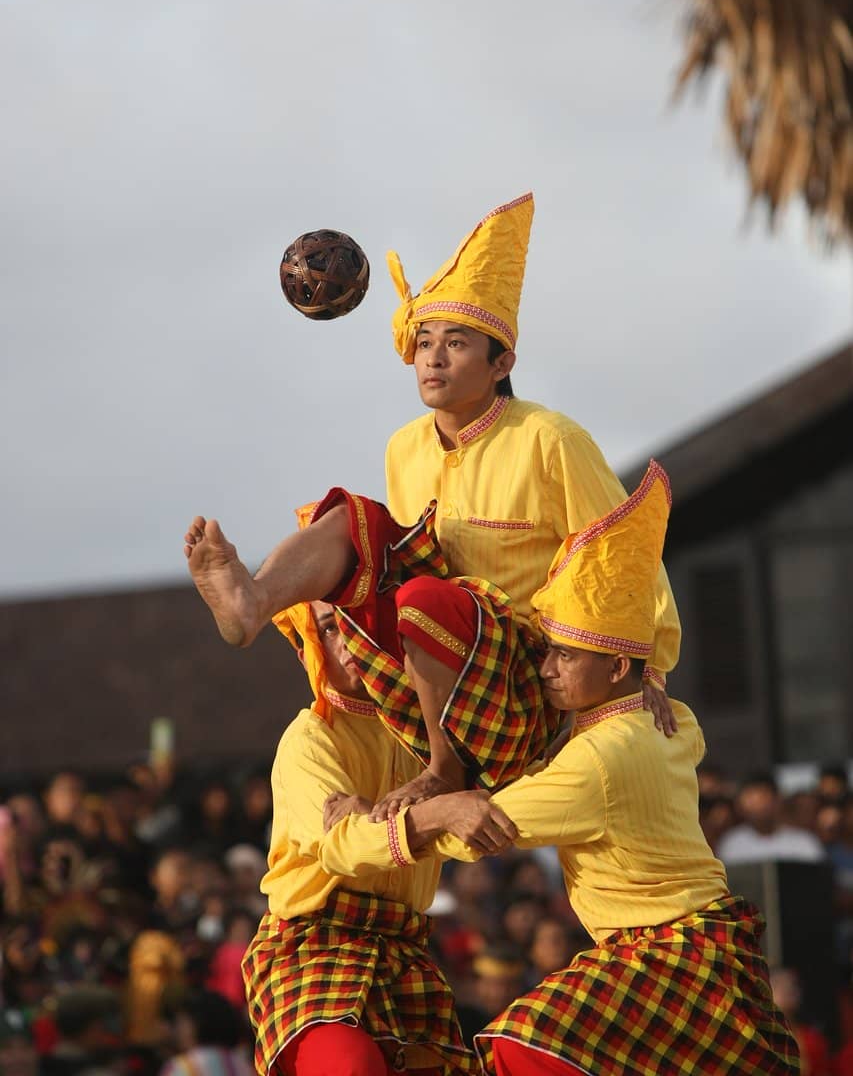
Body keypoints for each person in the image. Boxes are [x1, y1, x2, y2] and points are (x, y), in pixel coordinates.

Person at [186, 196, 681, 808]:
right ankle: (253, 600)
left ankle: (445, 771)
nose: (434, 358)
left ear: (503, 363)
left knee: (423, 595)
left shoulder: (550, 439)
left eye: (456, 343)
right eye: (424, 343)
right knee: (356, 519)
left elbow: (624, 549)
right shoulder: (404, 447)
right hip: (435, 667)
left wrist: (645, 668)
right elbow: (405, 563)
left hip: (524, 684)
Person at [325, 461, 800, 1075]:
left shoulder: (599, 759)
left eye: (567, 656)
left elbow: (481, 827)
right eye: (548, 650)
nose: (546, 669)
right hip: (691, 948)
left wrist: (387, 813)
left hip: (668, 953)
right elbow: (668, 711)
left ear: (617, 669)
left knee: (520, 1046)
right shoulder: (669, 719)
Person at [240, 597, 475, 1076]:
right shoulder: (310, 737)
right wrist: (440, 814)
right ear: (309, 649)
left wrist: (647, 678)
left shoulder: (431, 733)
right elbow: (342, 847)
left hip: (404, 948)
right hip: (312, 943)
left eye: (357, 623)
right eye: (328, 628)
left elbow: (476, 826)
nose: (347, 640)